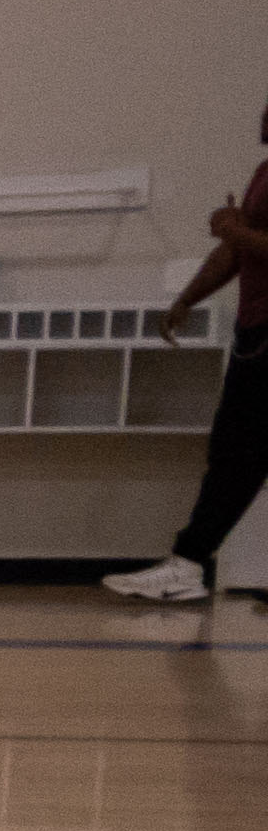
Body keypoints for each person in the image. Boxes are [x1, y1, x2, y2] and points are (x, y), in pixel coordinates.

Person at [102, 98, 268, 604]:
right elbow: (236, 250)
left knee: (238, 454)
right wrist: (187, 299)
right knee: (234, 456)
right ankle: (188, 565)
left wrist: (235, 229)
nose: (261, 115)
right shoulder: (264, 172)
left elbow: (240, 238)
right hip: (256, 334)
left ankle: (188, 563)